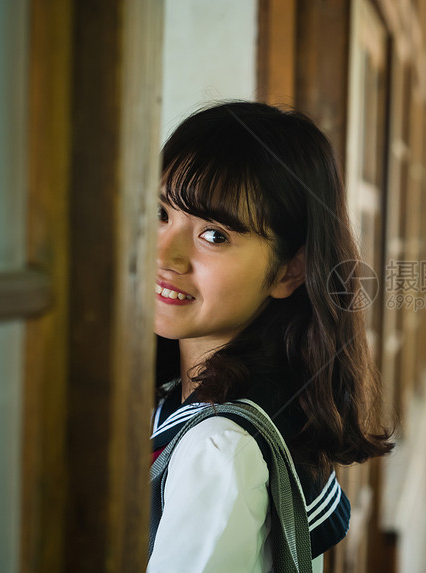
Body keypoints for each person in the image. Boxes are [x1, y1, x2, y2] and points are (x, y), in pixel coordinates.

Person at [148, 101, 393, 572]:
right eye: (160, 213)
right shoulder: (204, 405)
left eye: (214, 235)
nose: (166, 255)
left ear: (289, 270)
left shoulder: (219, 450)